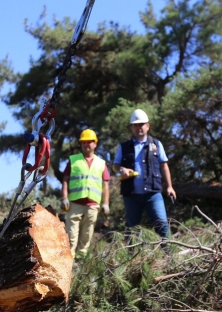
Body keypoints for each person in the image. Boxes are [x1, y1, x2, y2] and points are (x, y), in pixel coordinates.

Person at [113, 109, 176, 238]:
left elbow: (164, 165)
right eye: (135, 125)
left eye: (141, 124)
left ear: (148, 126)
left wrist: (169, 186)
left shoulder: (157, 144)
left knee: (162, 225)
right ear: (132, 127)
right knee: (132, 229)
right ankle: (132, 257)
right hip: (131, 195)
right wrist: (122, 170)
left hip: (153, 193)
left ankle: (170, 255)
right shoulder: (124, 147)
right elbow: (115, 165)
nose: (138, 127)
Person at [61, 129, 110, 258]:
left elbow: (105, 184)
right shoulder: (73, 160)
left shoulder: (101, 163)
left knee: (87, 234)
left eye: (90, 142)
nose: (87, 144)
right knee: (71, 234)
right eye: (84, 142)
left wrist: (106, 203)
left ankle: (81, 259)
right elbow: (65, 179)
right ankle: (69, 259)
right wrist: (64, 197)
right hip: (74, 203)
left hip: (92, 204)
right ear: (81, 144)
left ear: (95, 144)